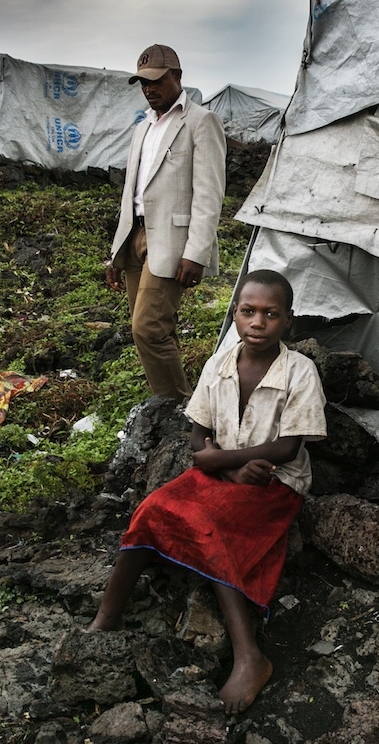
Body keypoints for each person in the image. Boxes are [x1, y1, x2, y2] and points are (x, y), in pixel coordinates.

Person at [87, 269, 327, 713]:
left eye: (271, 315)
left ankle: (250, 657)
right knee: (152, 508)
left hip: (273, 483)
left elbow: (289, 447)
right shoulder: (219, 363)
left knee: (210, 525)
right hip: (226, 474)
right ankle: (107, 615)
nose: (258, 323)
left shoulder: (299, 371)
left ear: (288, 320)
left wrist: (224, 462)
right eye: (248, 312)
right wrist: (222, 465)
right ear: (234, 314)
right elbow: (199, 437)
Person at [107, 43, 227, 399]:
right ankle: (177, 400)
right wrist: (116, 252)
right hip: (136, 235)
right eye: (143, 83)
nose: (149, 89)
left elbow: (209, 195)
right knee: (155, 326)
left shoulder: (201, 122)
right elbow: (132, 192)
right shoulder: (143, 127)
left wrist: (197, 253)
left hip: (174, 243)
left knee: (147, 328)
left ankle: (176, 406)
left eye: (156, 81)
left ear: (177, 76)